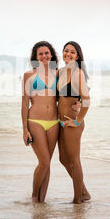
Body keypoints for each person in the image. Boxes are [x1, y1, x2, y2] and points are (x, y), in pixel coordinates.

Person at [21, 41, 59, 203]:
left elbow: (68, 96)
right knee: (43, 162)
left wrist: (77, 104)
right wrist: (24, 129)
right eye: (40, 54)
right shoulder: (29, 75)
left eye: (46, 53)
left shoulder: (58, 74)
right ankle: (34, 197)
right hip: (35, 121)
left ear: (51, 55)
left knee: (48, 164)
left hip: (54, 123)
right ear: (36, 57)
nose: (44, 56)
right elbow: (24, 103)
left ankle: (42, 201)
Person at [57, 41, 91, 204]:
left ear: (77, 56)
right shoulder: (61, 71)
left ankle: (78, 199)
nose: (68, 54)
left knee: (74, 161)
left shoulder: (78, 73)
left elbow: (86, 99)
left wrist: (78, 121)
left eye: (72, 52)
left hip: (72, 123)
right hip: (61, 122)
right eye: (66, 51)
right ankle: (84, 192)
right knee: (63, 159)